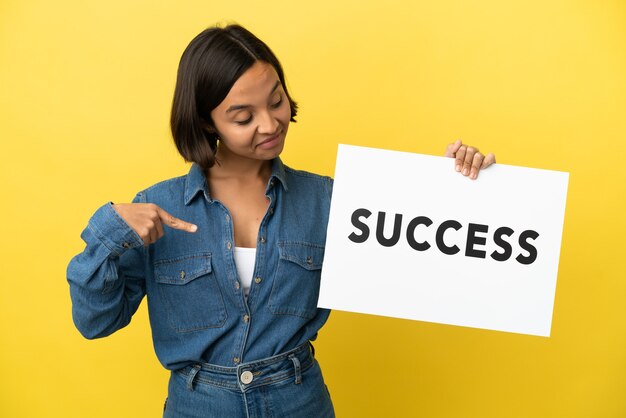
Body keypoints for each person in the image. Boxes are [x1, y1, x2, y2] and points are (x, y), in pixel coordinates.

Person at [67, 24, 495, 418]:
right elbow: (95, 322)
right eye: (243, 117)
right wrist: (108, 233)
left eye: (277, 101)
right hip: (198, 407)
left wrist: (455, 189)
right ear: (205, 121)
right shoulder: (156, 207)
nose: (271, 123)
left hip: (299, 401)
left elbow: (424, 264)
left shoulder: (329, 200)